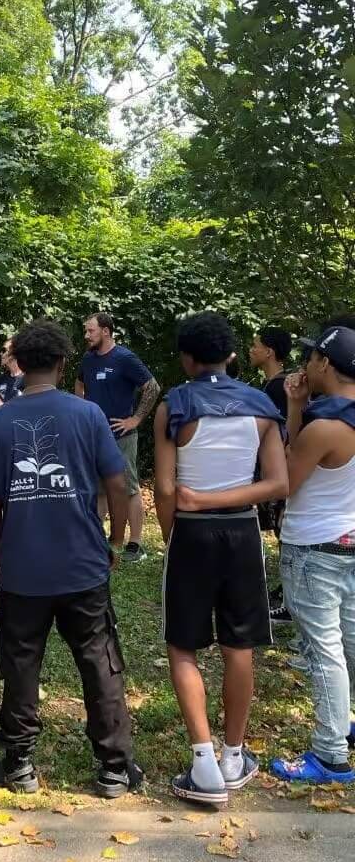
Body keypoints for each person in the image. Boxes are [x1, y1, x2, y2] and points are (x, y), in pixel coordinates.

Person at [0, 320, 143, 798]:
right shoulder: (88, 415)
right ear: (64, 365)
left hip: (21, 570)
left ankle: (18, 762)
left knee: (20, 662)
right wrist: (115, 542)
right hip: (83, 565)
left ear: (19, 364)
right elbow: (118, 485)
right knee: (99, 661)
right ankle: (114, 767)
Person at [154, 311, 287, 805]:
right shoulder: (261, 406)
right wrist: (225, 499)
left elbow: (165, 488)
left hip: (192, 533)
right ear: (231, 355)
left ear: (186, 359)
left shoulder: (174, 405)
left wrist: (175, 529)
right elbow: (278, 483)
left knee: (183, 646)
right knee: (240, 644)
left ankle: (204, 765)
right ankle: (234, 755)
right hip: (243, 533)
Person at [269, 325, 355, 785]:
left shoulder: (325, 427)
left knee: (323, 653)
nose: (305, 364)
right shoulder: (339, 419)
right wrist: (299, 406)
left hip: (314, 548)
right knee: (350, 646)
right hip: (349, 540)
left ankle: (329, 755)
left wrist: (294, 412)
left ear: (325, 364)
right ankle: (342, 728)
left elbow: (285, 481)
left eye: (312, 357)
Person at [76, 313, 161, 563]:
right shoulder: (88, 359)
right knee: (99, 489)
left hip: (121, 435)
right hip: (95, 435)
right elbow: (79, 384)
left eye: (90, 330)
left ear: (106, 331)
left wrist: (135, 419)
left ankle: (135, 544)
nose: (86, 335)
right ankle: (99, 541)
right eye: (86, 330)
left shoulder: (124, 358)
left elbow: (152, 387)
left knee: (129, 488)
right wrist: (82, 411)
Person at [249, 327, 294, 624]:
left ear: (270, 351)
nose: (251, 349)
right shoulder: (270, 385)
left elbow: (284, 430)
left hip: (280, 468)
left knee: (284, 529)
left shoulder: (279, 387)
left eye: (256, 345)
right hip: (273, 467)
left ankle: (291, 601)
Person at [0, 337, 24, 408]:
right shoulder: (2, 379)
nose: (0, 353)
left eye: (4, 350)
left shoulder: (28, 379)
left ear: (15, 354)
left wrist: (2, 405)